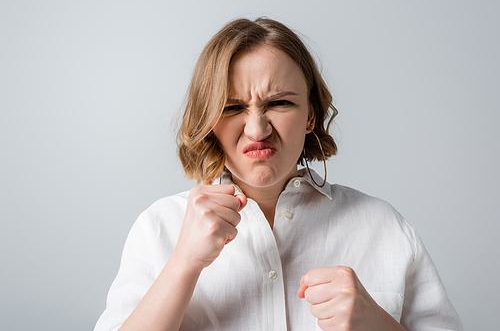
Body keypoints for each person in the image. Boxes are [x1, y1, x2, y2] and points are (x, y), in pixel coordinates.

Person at [94, 17, 463, 331]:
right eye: (232, 107)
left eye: (280, 102)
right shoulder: (158, 228)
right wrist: (183, 265)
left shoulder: (385, 228)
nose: (257, 130)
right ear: (209, 121)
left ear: (311, 115)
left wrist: (381, 326)